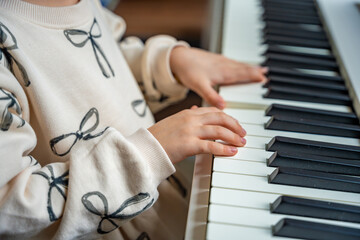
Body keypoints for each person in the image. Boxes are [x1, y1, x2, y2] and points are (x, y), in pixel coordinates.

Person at [0, 0, 267, 239]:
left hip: (167, 206)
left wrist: (168, 63)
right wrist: (145, 155)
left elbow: (96, 65)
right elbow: (11, 207)